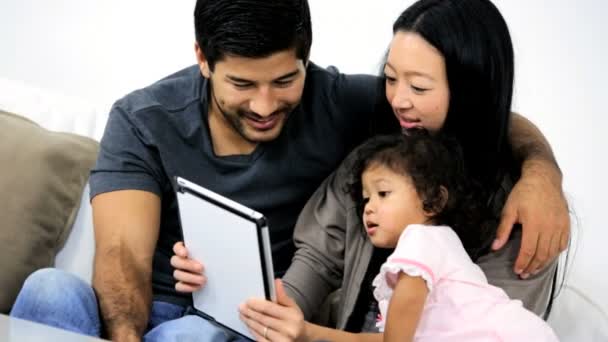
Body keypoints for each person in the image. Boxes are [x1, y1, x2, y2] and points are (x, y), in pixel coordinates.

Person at [10, 0, 567, 340]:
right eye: (391, 79)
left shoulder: (348, 108)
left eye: (283, 81)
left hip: (227, 327)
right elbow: (123, 258)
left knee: (190, 337)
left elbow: (492, 119)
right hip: (164, 310)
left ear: (306, 59)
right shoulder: (144, 118)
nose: (263, 105)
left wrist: (542, 172)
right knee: (48, 290)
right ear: (203, 59)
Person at [233, 0, 568, 339]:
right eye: (391, 78)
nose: (398, 100)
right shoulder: (380, 158)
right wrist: (274, 316)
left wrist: (543, 171)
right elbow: (320, 257)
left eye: (419, 87)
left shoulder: (521, 213)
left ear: (471, 91)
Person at [244, 132, 559, 341]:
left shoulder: (420, 242)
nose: (368, 209)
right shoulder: (440, 249)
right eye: (365, 199)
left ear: (433, 200)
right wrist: (306, 331)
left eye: (383, 193)